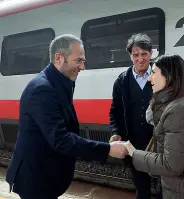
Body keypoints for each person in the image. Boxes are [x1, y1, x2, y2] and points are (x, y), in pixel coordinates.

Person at [6, 34, 128, 199]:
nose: (82, 67)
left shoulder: (58, 81)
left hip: (45, 176)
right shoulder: (42, 89)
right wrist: (108, 150)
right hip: (35, 180)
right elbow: (60, 139)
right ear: (59, 58)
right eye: (78, 61)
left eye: (83, 61)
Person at [123, 54, 184, 199]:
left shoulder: (179, 110)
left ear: (169, 76)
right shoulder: (178, 103)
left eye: (154, 73)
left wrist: (132, 152)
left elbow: (171, 165)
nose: (149, 79)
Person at [109, 33, 154, 199]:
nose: (140, 59)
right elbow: (115, 111)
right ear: (130, 56)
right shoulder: (122, 81)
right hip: (133, 144)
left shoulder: (161, 75)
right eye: (135, 55)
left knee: (165, 184)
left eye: (144, 54)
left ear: (151, 53)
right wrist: (116, 132)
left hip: (158, 142)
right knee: (141, 187)